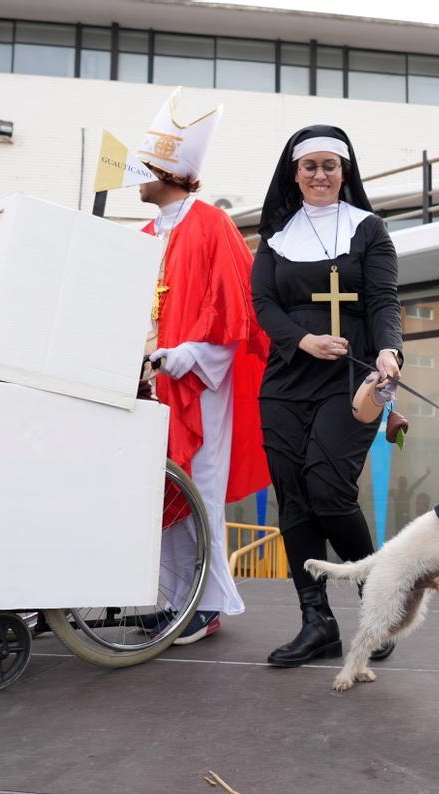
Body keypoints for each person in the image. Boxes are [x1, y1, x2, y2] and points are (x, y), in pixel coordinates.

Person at [251, 125, 403, 667]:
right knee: (294, 499)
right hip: (287, 381)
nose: (319, 175)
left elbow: (385, 300)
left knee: (328, 488)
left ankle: (378, 608)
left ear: (345, 172)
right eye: (309, 166)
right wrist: (303, 339)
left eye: (329, 166)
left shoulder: (368, 229)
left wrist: (389, 351)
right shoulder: (274, 236)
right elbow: (264, 305)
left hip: (352, 378)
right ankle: (317, 622)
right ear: (294, 173)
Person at [137, 88, 271, 644]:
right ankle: (172, 597)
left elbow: (239, 310)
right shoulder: (144, 235)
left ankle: (208, 603)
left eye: (143, 169)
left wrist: (188, 355)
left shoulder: (212, 225)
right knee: (157, 494)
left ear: (168, 171)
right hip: (147, 387)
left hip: (198, 385)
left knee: (200, 491)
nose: (135, 180)